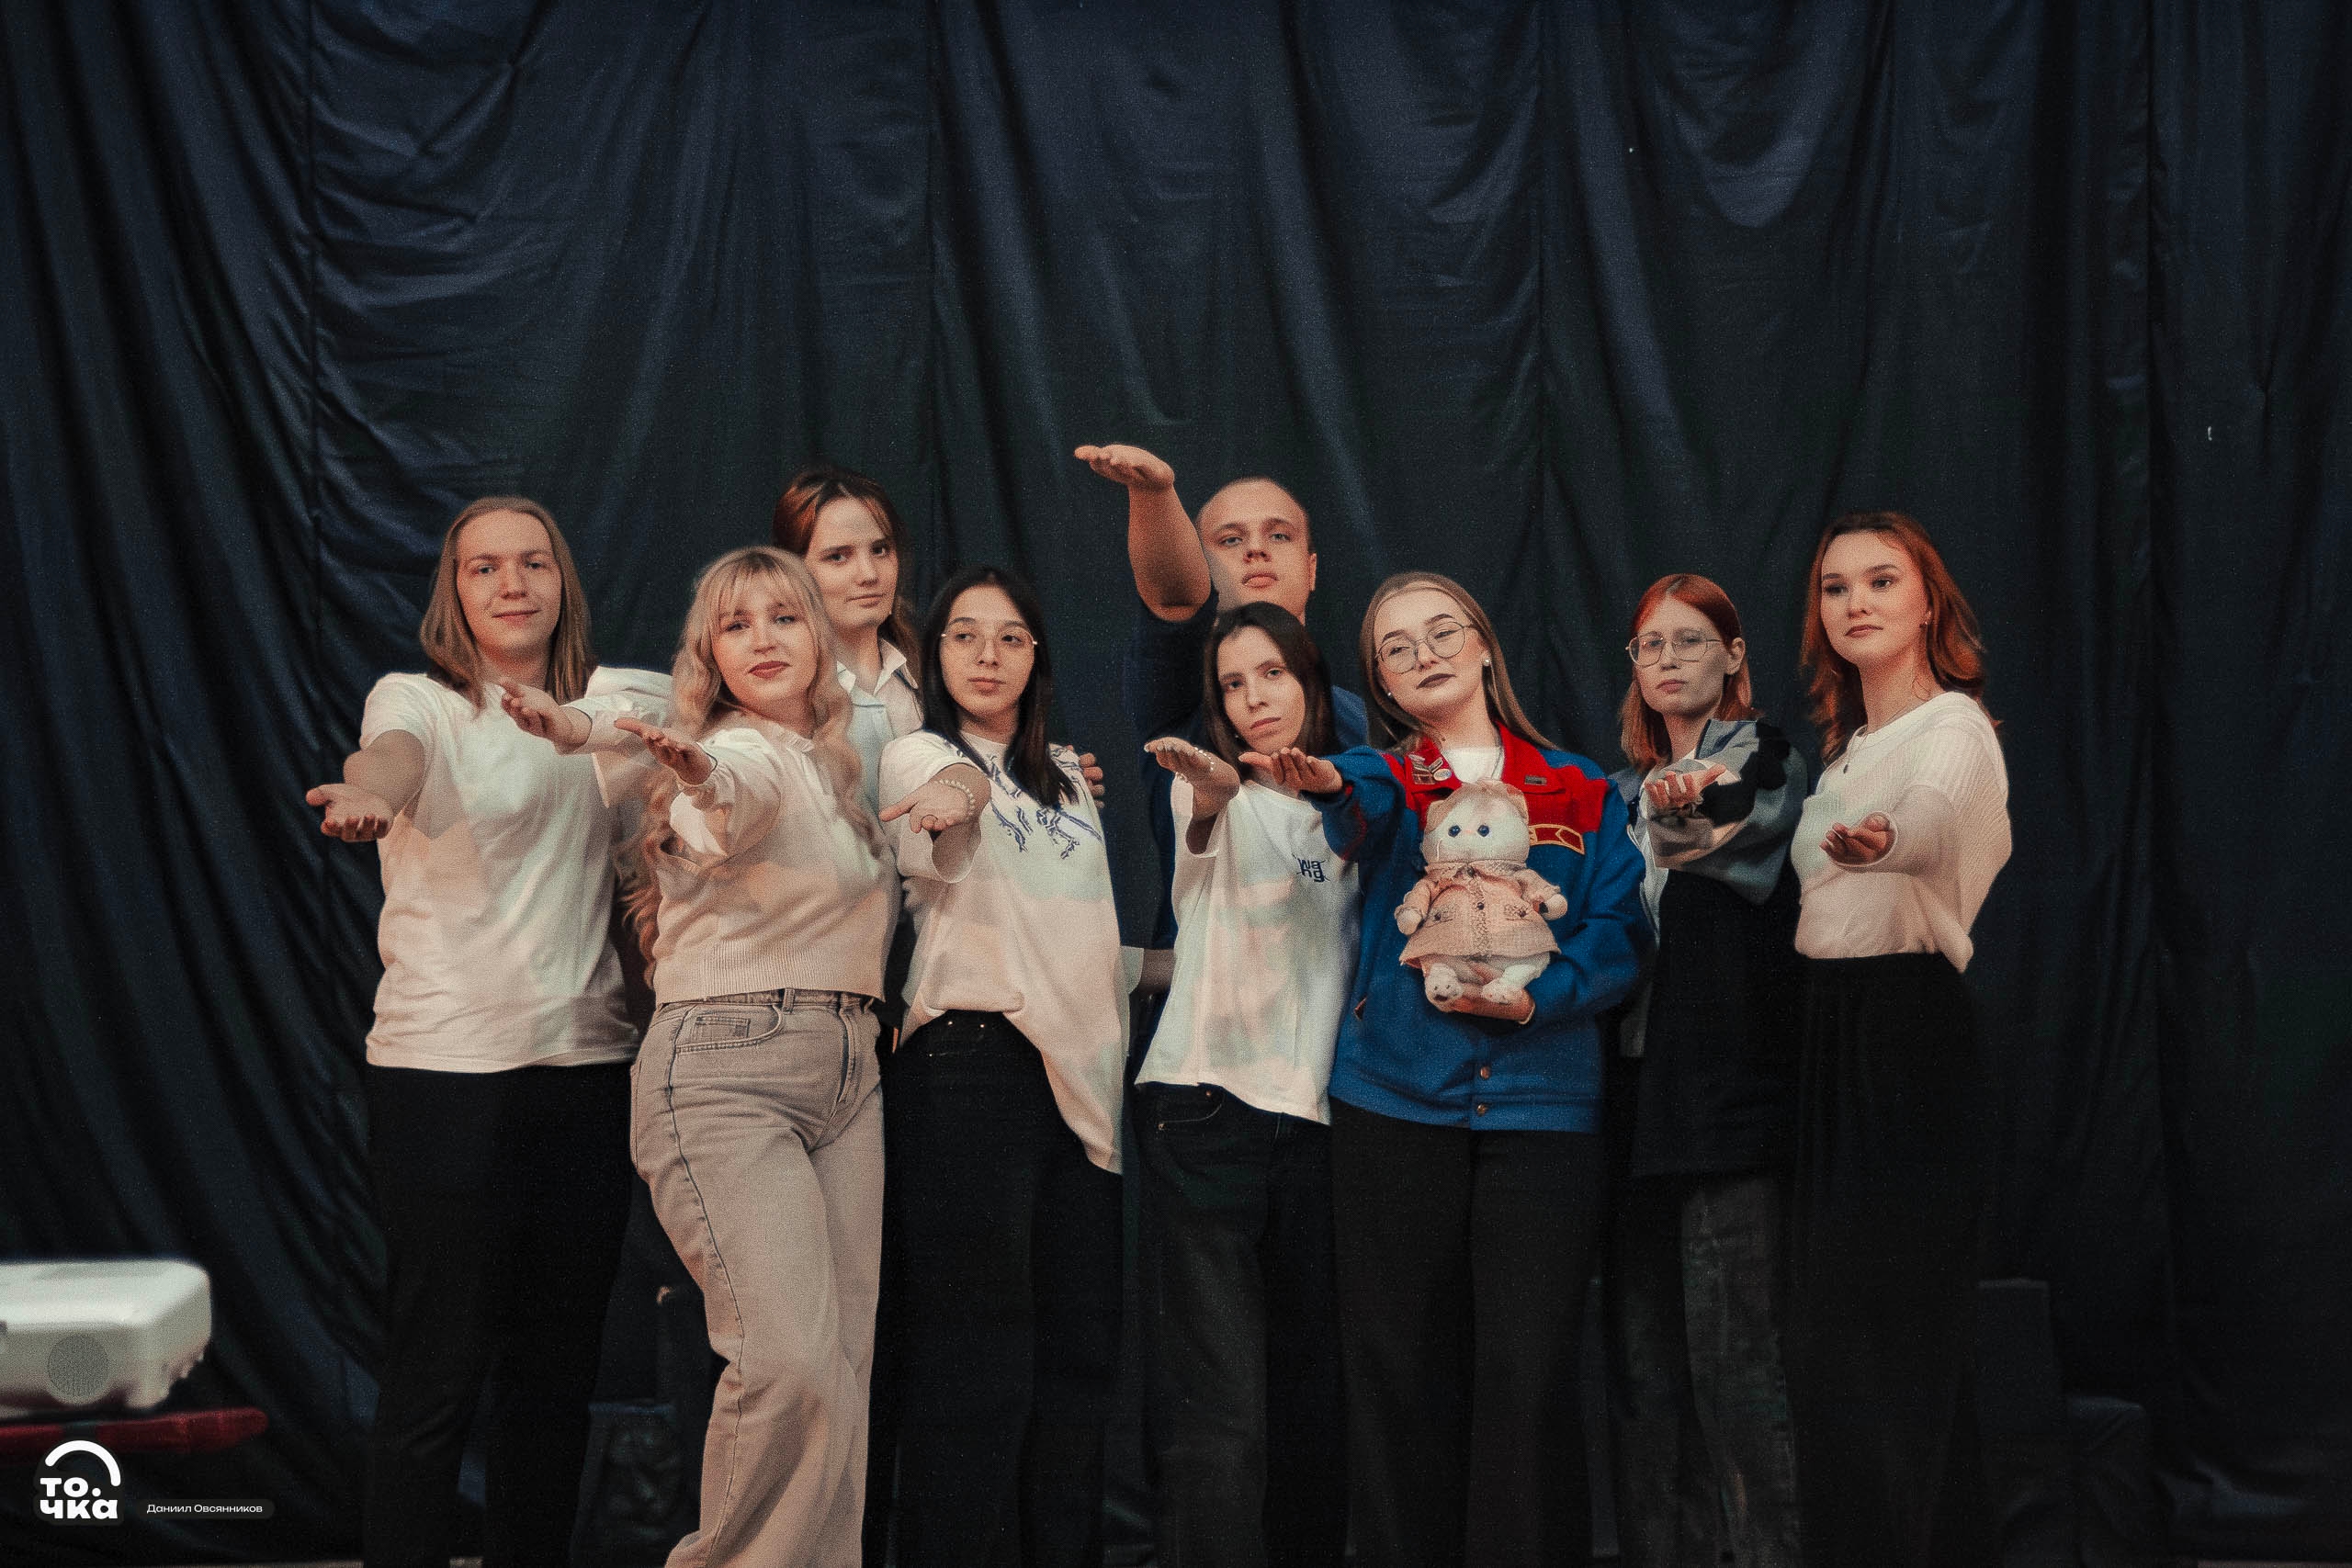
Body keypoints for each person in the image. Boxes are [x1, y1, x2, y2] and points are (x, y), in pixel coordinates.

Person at [503, 546, 984, 1568]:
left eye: (783, 617)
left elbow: (942, 790)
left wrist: (961, 792)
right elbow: (725, 796)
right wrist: (694, 771)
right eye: (735, 625)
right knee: (787, 1364)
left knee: (840, 1373)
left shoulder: (840, 765)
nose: (762, 640)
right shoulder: (730, 751)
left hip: (849, 1071)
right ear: (711, 656)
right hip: (728, 1070)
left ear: (820, 638)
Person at [1254, 571, 1650, 1568]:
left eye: (1440, 632)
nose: (1423, 653)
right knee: (1396, 1376)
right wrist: (1329, 784)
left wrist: (1538, 1000)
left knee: (1528, 1376)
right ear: (1382, 684)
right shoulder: (1386, 775)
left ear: (1481, 644)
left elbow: (1619, 933)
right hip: (1394, 1109)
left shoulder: (1579, 784)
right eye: (1396, 648)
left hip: (1542, 1117)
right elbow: (1358, 803)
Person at [304, 496, 653, 1568]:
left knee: (554, 1379)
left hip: (586, 1072)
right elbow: (391, 758)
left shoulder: (614, 703)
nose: (512, 583)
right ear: (453, 593)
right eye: (485, 567)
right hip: (443, 1078)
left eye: (533, 563)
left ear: (562, 582)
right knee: (439, 1369)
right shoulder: (417, 700)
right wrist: (364, 795)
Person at [879, 566, 1129, 1568]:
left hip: (1085, 1090)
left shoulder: (1070, 778)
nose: (987, 655)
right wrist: (957, 795)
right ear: (934, 654)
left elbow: (1081, 934)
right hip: (972, 1065)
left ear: (1038, 656)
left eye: (1011, 637)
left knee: (1074, 1368)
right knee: (971, 1366)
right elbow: (946, 812)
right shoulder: (917, 753)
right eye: (964, 635)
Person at [1784, 512, 2011, 1567]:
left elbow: (1929, 821)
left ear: (1927, 603)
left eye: (1881, 581)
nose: (1856, 602)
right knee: (1847, 1343)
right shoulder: (1845, 756)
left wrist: (1886, 839)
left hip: (1905, 1031)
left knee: (1887, 1344)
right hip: (1826, 1031)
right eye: (1835, 588)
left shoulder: (1952, 728)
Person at [1136, 603, 1357, 1568]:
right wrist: (1213, 790)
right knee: (1220, 1408)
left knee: (1314, 1399)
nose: (1254, 697)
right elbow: (1200, 818)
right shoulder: (1208, 790)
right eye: (1232, 683)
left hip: (1322, 1123)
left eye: (1271, 674)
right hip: (1205, 1108)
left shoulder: (1355, 805)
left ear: (1310, 682)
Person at [1601, 574, 1806, 1568]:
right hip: (1633, 1104)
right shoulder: (1616, 794)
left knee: (1736, 1367)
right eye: (1650, 645)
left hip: (1727, 1104)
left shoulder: (1766, 758)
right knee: (1646, 1375)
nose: (1668, 658)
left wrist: (1679, 798)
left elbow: (1709, 834)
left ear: (1733, 656)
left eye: (1691, 640)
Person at [1074, 443, 1366, 954]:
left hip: (1348, 995)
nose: (1256, 550)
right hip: (1211, 994)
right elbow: (1174, 598)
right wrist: (1155, 494)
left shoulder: (1363, 716)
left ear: (1312, 569)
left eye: (1279, 535)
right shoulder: (1183, 691)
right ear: (1200, 562)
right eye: (1230, 539)